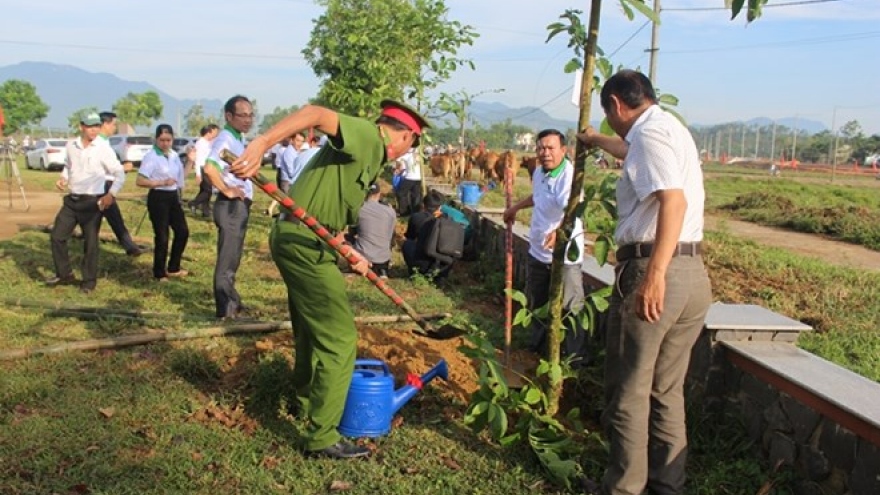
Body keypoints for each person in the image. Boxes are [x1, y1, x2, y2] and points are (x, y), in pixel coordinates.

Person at [229, 99, 429, 459]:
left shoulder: (364, 154)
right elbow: (315, 114)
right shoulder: (370, 137)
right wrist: (261, 144)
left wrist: (347, 250)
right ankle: (322, 435)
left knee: (309, 328)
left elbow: (324, 210)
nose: (404, 152)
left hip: (303, 238)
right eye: (410, 146)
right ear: (404, 137)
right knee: (339, 339)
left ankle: (306, 402)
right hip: (303, 245)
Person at [576, 70, 712, 495]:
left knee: (628, 390)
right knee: (665, 390)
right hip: (692, 274)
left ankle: (623, 489)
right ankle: (666, 487)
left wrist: (653, 276)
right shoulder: (668, 129)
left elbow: (673, 200)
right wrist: (595, 140)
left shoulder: (650, 138)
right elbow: (629, 150)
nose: (610, 125)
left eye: (607, 117)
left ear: (616, 105)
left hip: (658, 270)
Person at [502, 129, 589, 368]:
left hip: (565, 254)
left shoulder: (570, 177)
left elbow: (571, 211)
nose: (545, 153)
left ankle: (575, 360)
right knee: (537, 302)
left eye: (550, 148)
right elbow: (537, 197)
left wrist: (558, 232)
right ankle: (538, 348)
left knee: (571, 307)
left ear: (564, 150)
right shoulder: (539, 171)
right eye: (541, 148)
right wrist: (515, 208)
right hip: (538, 251)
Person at [46, 112, 126, 293]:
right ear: (82, 126)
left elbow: (119, 173)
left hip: (92, 203)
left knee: (90, 243)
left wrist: (111, 194)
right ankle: (64, 274)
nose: (94, 130)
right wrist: (63, 178)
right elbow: (69, 166)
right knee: (57, 236)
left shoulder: (103, 148)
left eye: (97, 126)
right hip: (72, 201)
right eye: (90, 127)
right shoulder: (71, 146)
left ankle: (89, 282)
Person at [202, 95, 255, 320]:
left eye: (251, 115)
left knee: (233, 258)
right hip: (230, 206)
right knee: (228, 260)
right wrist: (227, 190)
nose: (248, 120)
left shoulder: (236, 138)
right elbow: (209, 168)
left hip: (238, 205)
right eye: (242, 115)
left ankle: (233, 304)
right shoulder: (225, 139)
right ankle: (225, 311)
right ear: (229, 116)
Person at [136, 124, 190, 282]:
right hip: (158, 197)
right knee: (162, 236)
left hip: (173, 196)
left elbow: (181, 178)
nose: (165, 143)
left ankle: (174, 266)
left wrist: (190, 162)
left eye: (168, 140)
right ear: (156, 139)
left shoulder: (174, 155)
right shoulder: (151, 157)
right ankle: (159, 272)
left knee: (182, 231)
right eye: (162, 140)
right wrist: (160, 182)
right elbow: (140, 180)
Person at [94, 111, 144, 256]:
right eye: (113, 124)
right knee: (106, 217)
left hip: (106, 184)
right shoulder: (99, 144)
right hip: (102, 184)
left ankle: (130, 247)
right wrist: (123, 168)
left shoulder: (103, 142)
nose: (114, 128)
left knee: (112, 217)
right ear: (105, 124)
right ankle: (130, 247)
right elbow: (100, 168)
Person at [346, 182, 396, 278]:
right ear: (379, 193)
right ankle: (383, 270)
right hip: (383, 258)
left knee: (346, 238)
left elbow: (351, 232)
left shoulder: (359, 209)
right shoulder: (390, 211)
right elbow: (391, 235)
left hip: (363, 257)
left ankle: (355, 266)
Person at [189, 124, 220, 217]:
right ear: (209, 131)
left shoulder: (208, 142)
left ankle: (205, 211)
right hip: (202, 168)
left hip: (207, 167)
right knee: (208, 191)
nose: (217, 134)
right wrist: (198, 173)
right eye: (215, 132)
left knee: (204, 190)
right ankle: (193, 203)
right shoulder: (200, 143)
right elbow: (197, 159)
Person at [394, 147, 421, 216]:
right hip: (418, 178)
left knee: (401, 193)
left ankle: (404, 211)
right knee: (415, 195)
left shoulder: (408, 155)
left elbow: (398, 160)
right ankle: (415, 212)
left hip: (410, 178)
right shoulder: (420, 156)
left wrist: (398, 168)